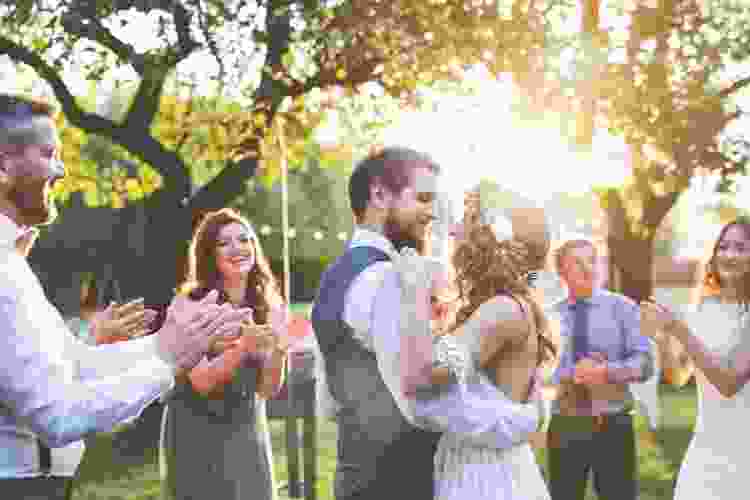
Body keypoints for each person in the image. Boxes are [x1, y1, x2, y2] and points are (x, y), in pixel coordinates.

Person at [0, 93, 249, 499]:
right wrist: (168, 361)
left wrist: (166, 343)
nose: (61, 169)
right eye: (48, 154)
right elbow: (57, 416)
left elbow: (76, 365)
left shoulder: (12, 264)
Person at [311, 147, 546, 500]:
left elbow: (329, 402)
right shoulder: (391, 279)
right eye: (422, 199)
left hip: (358, 474)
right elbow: (419, 397)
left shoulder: (334, 277)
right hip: (398, 483)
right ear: (378, 195)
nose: (433, 215)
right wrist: (525, 418)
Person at [408, 188, 555, 500]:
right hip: (480, 463)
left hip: (485, 478)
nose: (452, 230)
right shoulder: (504, 304)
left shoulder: (501, 309)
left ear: (486, 239)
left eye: (465, 221)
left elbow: (427, 376)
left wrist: (407, 301)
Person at [160, 208, 289, 500]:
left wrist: (280, 348)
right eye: (224, 243)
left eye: (245, 240)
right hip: (196, 431)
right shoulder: (190, 305)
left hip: (246, 428)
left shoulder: (268, 305)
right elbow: (202, 381)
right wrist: (244, 347)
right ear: (209, 254)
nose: (238, 248)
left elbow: (268, 389)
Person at [641, 219, 750, 500]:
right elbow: (678, 377)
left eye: (741, 247)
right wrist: (663, 338)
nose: (729, 255)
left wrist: (678, 328)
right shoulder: (703, 309)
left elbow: (728, 384)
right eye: (723, 246)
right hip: (706, 443)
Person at [545, 239, 654, 500]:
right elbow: (540, 370)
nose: (587, 269)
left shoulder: (623, 309)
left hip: (613, 424)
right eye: (577, 263)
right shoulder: (549, 316)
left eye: (592, 261)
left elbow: (645, 363)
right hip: (565, 424)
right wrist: (570, 375)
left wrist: (607, 371)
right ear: (561, 271)